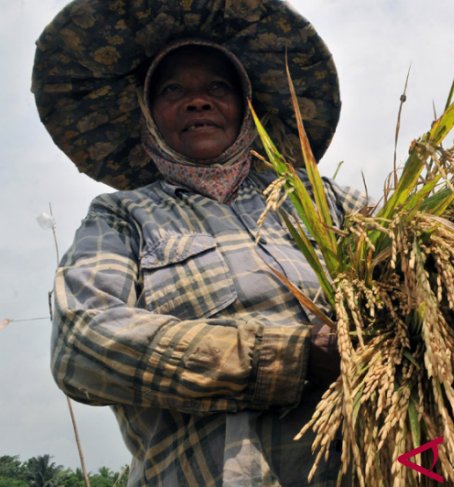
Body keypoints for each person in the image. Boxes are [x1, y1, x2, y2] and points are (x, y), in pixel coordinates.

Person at [32, 1, 366, 485]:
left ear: (245, 104)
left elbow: (418, 262)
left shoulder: (321, 198)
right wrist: (290, 357)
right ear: (148, 113)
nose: (197, 101)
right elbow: (82, 345)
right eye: (172, 90)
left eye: (217, 87)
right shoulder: (122, 217)